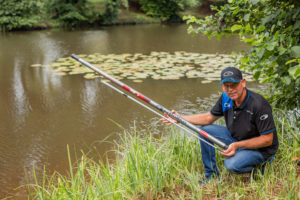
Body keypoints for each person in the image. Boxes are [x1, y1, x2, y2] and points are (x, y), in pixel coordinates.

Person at [161, 67, 278, 183]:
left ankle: (260, 167)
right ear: (222, 86)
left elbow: (267, 140)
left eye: (233, 85)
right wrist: (180, 118)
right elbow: (208, 118)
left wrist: (237, 145)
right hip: (237, 139)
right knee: (204, 131)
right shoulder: (226, 98)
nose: (230, 89)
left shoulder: (259, 104)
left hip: (261, 149)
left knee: (231, 164)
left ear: (243, 83)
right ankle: (211, 176)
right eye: (226, 85)